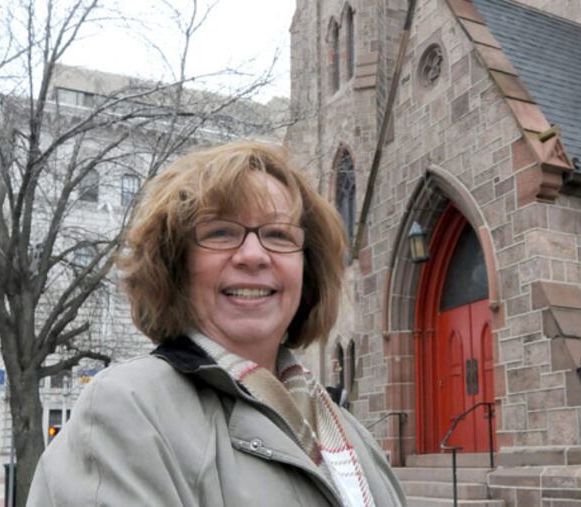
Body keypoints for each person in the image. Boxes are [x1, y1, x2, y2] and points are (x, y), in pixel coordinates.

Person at [27, 141, 406, 506]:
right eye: (221, 233)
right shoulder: (129, 407)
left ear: (307, 269)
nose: (254, 255)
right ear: (176, 266)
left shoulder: (347, 433)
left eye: (278, 234)